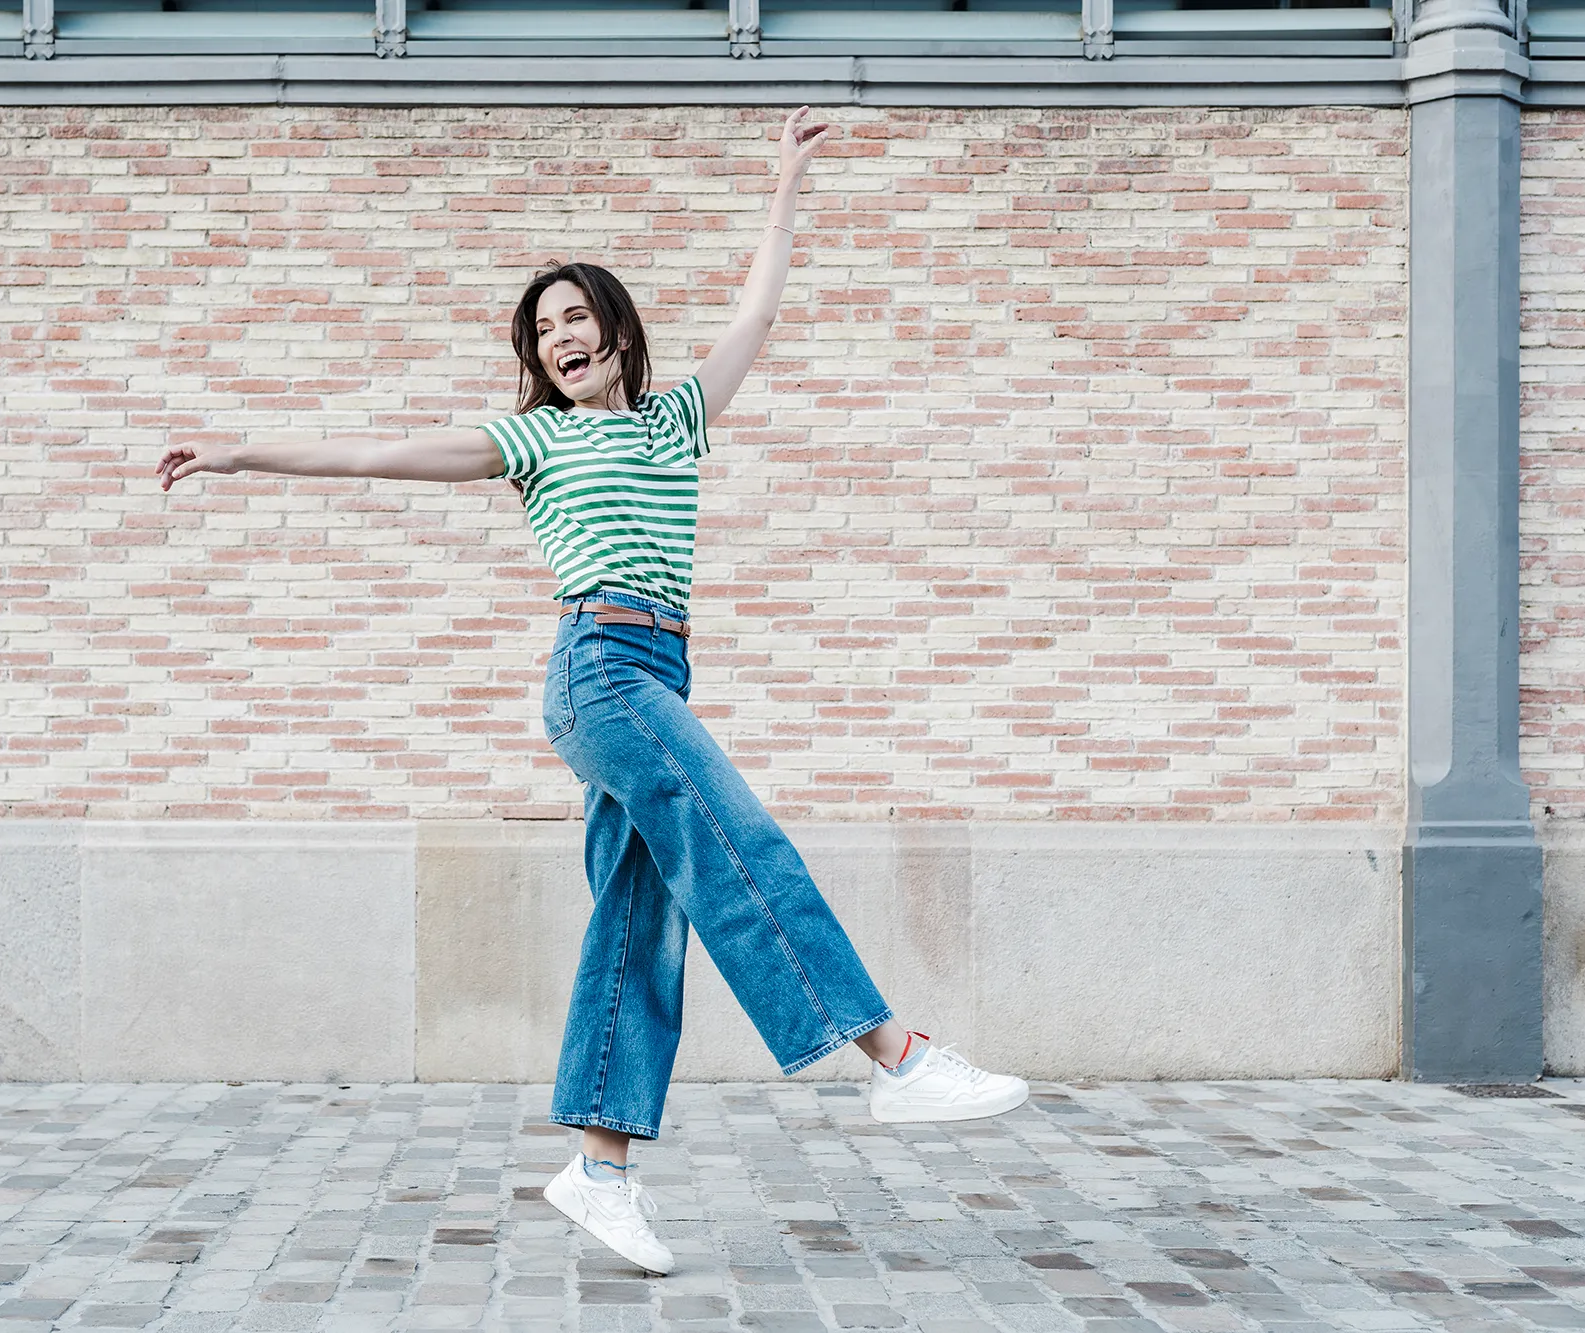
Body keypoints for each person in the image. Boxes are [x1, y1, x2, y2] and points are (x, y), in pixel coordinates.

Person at [157, 106, 1029, 1276]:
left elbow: (755, 310)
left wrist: (784, 184)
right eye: (541, 328)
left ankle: (599, 1170)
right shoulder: (530, 442)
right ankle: (894, 1054)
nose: (558, 337)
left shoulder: (678, 421)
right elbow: (377, 455)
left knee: (638, 923)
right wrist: (238, 451)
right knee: (736, 840)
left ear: (617, 330)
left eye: (575, 316)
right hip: (599, 667)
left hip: (657, 667)